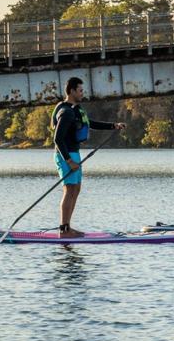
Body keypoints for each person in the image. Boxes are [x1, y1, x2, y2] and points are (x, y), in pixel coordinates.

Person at [51, 76, 122, 237]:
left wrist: (113, 126)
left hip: (74, 154)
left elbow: (89, 123)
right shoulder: (65, 112)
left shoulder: (74, 109)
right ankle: (63, 230)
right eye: (80, 90)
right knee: (69, 190)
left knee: (76, 189)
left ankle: (67, 227)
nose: (83, 93)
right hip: (66, 156)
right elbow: (57, 139)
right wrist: (68, 160)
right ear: (72, 91)